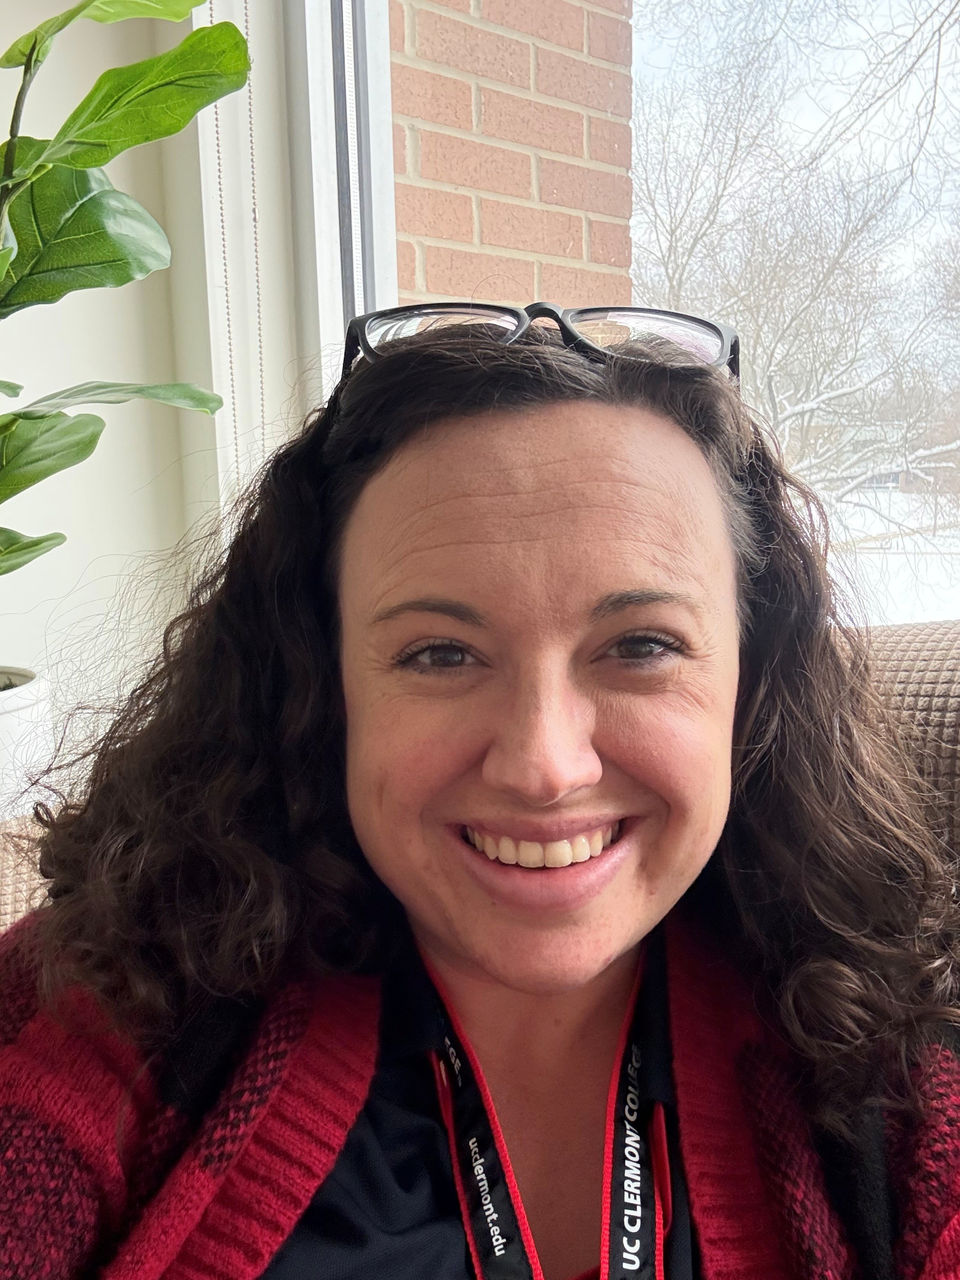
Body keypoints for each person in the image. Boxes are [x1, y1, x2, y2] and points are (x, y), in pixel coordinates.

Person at [1, 301, 958, 1280]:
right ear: (320, 683)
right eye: (441, 653)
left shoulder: (890, 1060)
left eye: (640, 645)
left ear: (752, 681)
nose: (544, 766)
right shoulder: (108, 991)